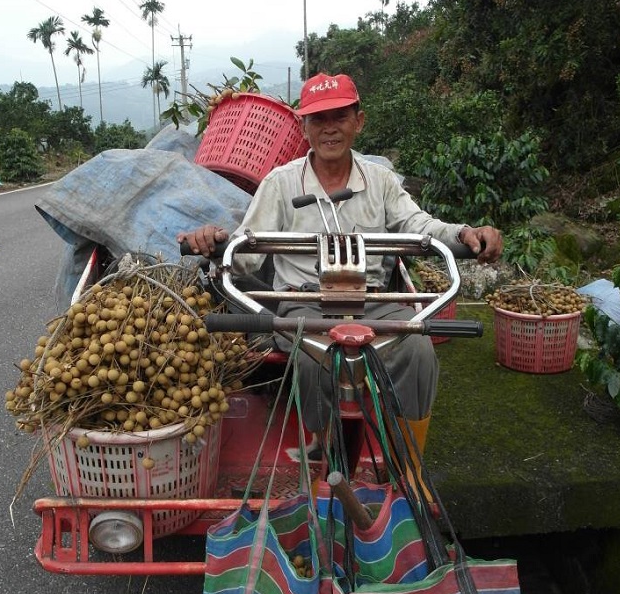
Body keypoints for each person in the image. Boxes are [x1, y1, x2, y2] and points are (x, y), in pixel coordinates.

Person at [178, 72, 502, 460]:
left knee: (417, 349)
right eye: (318, 119)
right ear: (304, 127)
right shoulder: (281, 184)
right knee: (317, 353)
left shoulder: (380, 181)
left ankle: (407, 458)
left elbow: (418, 226)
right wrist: (216, 246)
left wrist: (463, 233)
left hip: (373, 299)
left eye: (340, 117)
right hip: (305, 301)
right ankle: (323, 448)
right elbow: (247, 251)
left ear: (358, 122)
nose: (329, 129)